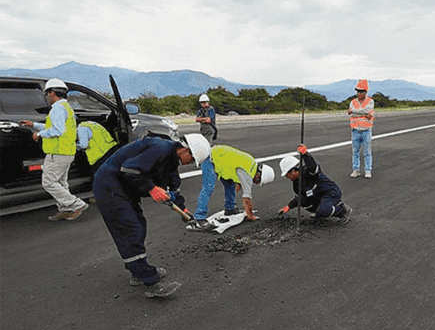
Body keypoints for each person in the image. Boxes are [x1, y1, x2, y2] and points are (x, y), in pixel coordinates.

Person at [92, 133, 210, 298]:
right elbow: (130, 169)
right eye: (192, 159)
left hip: (124, 189)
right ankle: (151, 281)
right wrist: (151, 188)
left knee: (139, 226)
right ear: (185, 150)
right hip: (109, 186)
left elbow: (173, 187)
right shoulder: (159, 148)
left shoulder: (171, 160)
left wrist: (183, 210)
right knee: (130, 230)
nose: (191, 163)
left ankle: (138, 271)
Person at [19, 78, 89, 221]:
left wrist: (39, 134)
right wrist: (34, 124)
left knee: (49, 182)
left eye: (47, 93)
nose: (47, 96)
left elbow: (57, 130)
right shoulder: (66, 107)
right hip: (66, 151)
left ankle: (75, 204)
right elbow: (57, 127)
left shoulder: (57, 108)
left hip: (57, 152)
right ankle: (66, 209)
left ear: (52, 93)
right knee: (61, 183)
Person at [191, 144, 276, 230]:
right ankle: (199, 218)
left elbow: (236, 168)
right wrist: (250, 215)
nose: (255, 183)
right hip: (210, 158)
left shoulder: (251, 162)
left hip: (219, 158)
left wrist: (238, 185)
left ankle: (230, 208)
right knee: (208, 187)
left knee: (230, 184)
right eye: (257, 181)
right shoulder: (248, 174)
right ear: (258, 175)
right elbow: (246, 199)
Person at [278, 144, 352, 224]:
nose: (286, 176)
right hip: (317, 196)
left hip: (330, 193)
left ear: (293, 170)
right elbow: (300, 198)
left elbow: (313, 167)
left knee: (323, 211)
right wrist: (289, 206)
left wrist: (305, 154)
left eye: (287, 174)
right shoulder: (296, 184)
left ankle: (343, 210)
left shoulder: (308, 171)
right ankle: (319, 211)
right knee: (305, 202)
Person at [348, 79, 375, 179]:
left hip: (366, 130)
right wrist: (363, 113)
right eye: (358, 91)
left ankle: (368, 170)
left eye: (361, 91)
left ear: (365, 92)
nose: (359, 93)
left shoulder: (370, 101)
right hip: (355, 129)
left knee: (367, 152)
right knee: (355, 152)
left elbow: (365, 110)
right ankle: (356, 170)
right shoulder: (353, 102)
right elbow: (359, 111)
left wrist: (355, 112)